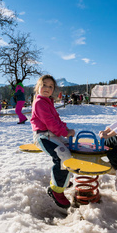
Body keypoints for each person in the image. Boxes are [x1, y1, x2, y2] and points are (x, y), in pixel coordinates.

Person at [30, 75, 75, 209]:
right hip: (43, 136)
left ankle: (63, 180)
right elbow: (49, 123)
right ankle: (56, 190)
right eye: (44, 85)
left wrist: (65, 128)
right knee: (62, 155)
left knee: (70, 150)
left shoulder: (48, 102)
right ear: (38, 87)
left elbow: (56, 120)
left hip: (53, 135)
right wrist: (65, 133)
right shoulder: (39, 103)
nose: (47, 88)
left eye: (51, 86)